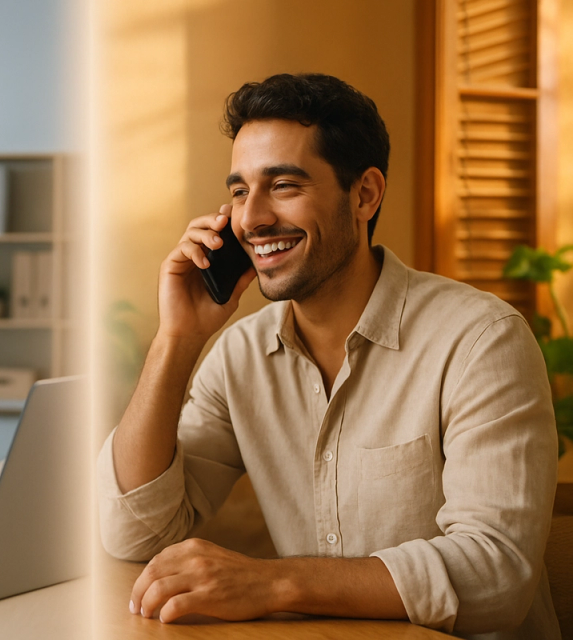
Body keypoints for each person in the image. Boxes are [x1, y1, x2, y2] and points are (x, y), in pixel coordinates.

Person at [97, 73, 560, 638]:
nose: (251, 219)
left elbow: (497, 574)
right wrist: (178, 339)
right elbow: (134, 534)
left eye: (284, 185)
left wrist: (273, 584)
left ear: (364, 194)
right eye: (240, 191)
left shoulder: (481, 340)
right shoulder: (239, 356)